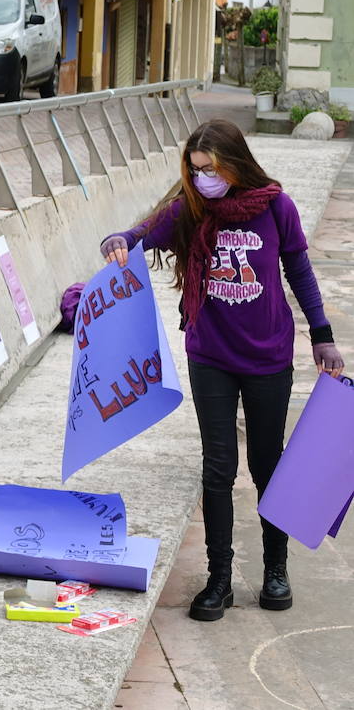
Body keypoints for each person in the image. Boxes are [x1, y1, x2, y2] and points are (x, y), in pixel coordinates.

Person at [99, 119, 343, 622]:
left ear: (235, 162)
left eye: (210, 169)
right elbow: (139, 234)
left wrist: (322, 334)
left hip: (268, 356)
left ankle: (276, 570)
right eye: (195, 170)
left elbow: (298, 269)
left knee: (267, 466)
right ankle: (220, 579)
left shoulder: (277, 207)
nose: (203, 178)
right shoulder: (190, 209)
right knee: (218, 467)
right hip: (209, 354)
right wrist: (118, 241)